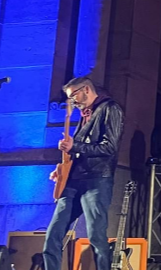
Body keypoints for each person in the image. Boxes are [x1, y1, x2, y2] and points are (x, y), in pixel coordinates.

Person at [43, 77, 124, 270]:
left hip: (97, 180)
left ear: (86, 89)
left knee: (96, 236)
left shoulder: (110, 109)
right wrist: (61, 169)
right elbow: (78, 151)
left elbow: (109, 147)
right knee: (53, 234)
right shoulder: (84, 114)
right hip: (73, 181)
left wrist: (75, 145)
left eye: (73, 96)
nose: (72, 101)